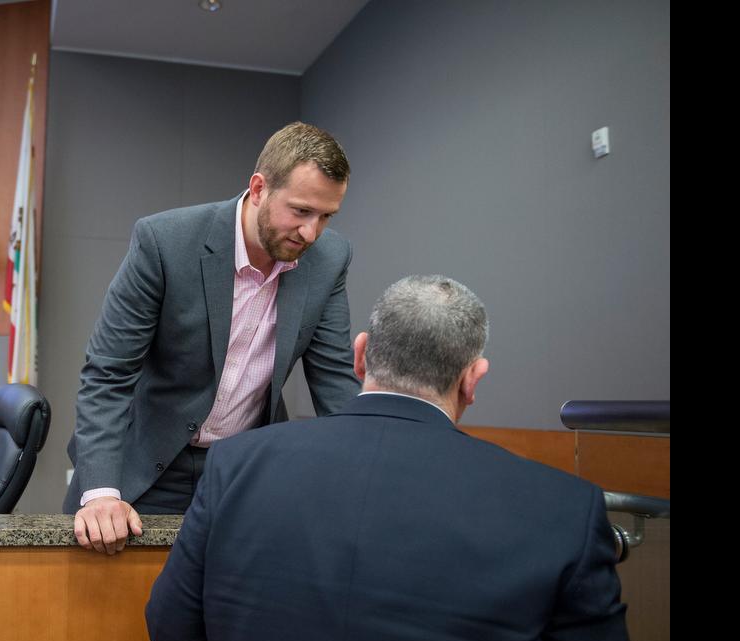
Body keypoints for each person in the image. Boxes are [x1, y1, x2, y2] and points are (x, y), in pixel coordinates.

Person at [146, 275, 629, 641]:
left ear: (361, 356)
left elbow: (170, 623)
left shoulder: (235, 466)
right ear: (472, 379)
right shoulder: (564, 511)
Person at [68, 122, 362, 554]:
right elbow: (108, 373)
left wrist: (370, 481)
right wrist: (101, 493)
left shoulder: (329, 258)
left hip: (243, 472)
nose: (311, 233)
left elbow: (336, 384)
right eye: (300, 211)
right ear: (259, 188)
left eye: (326, 216)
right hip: (144, 466)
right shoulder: (165, 241)